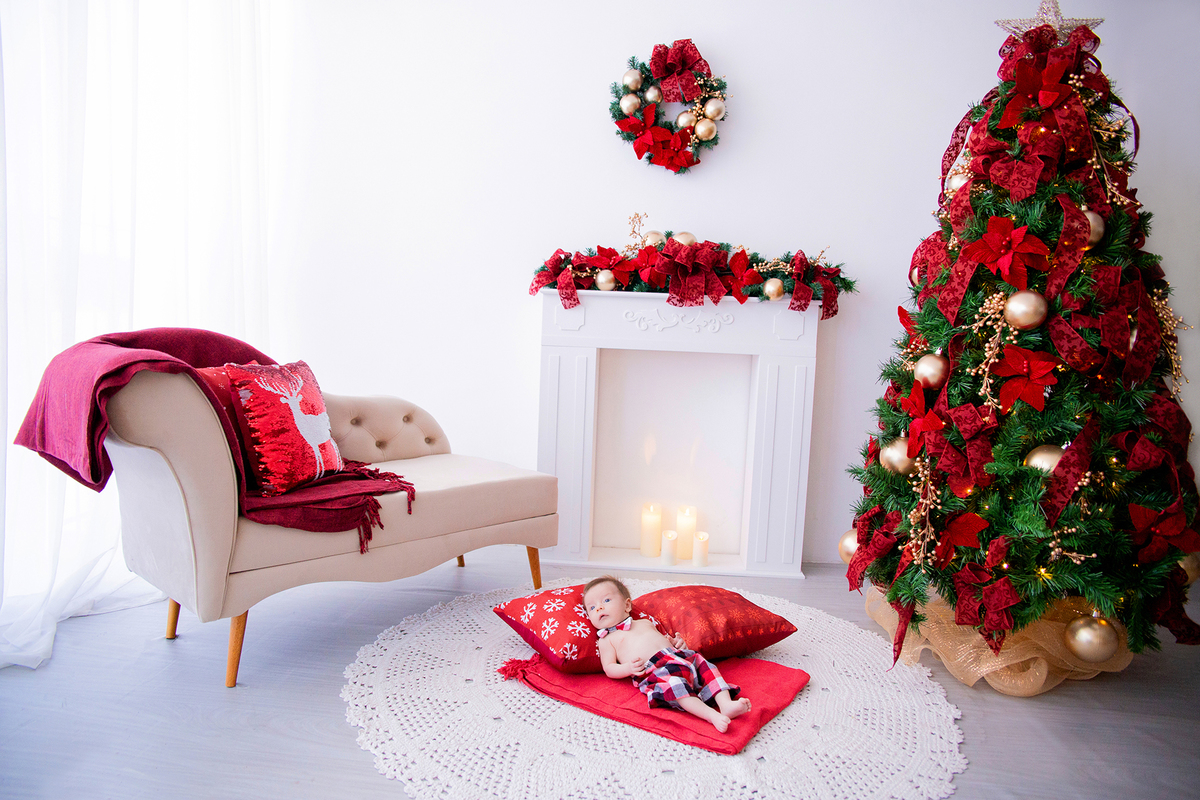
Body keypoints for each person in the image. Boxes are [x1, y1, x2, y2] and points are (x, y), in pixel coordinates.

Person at [582, 575, 752, 733]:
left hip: (678, 656)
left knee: (707, 667)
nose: (599, 608)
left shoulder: (644, 622)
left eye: (606, 600)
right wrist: (627, 668)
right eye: (592, 607)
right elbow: (609, 668)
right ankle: (710, 715)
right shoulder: (607, 640)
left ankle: (726, 703)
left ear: (627, 605)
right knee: (675, 687)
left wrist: (677, 644)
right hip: (654, 671)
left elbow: (662, 639)